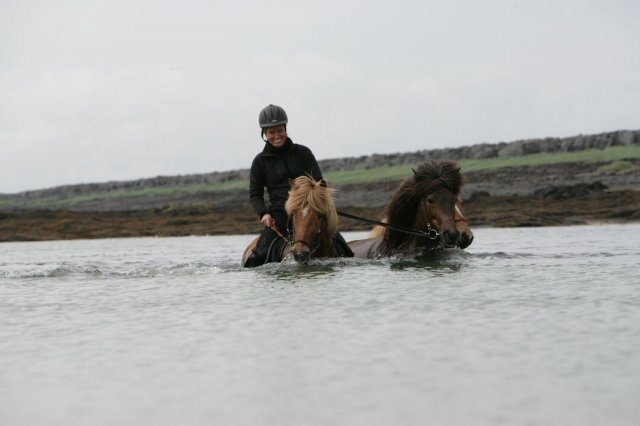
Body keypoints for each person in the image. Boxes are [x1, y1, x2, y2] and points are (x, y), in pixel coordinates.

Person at [244, 104, 353, 267]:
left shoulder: (303, 153)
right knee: (259, 255)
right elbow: (255, 195)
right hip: (279, 212)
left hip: (309, 208)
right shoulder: (260, 162)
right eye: (271, 132)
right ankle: (251, 270)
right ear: (264, 134)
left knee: (345, 250)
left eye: (279, 130)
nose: (277, 136)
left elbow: (319, 183)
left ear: (285, 129)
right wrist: (264, 214)